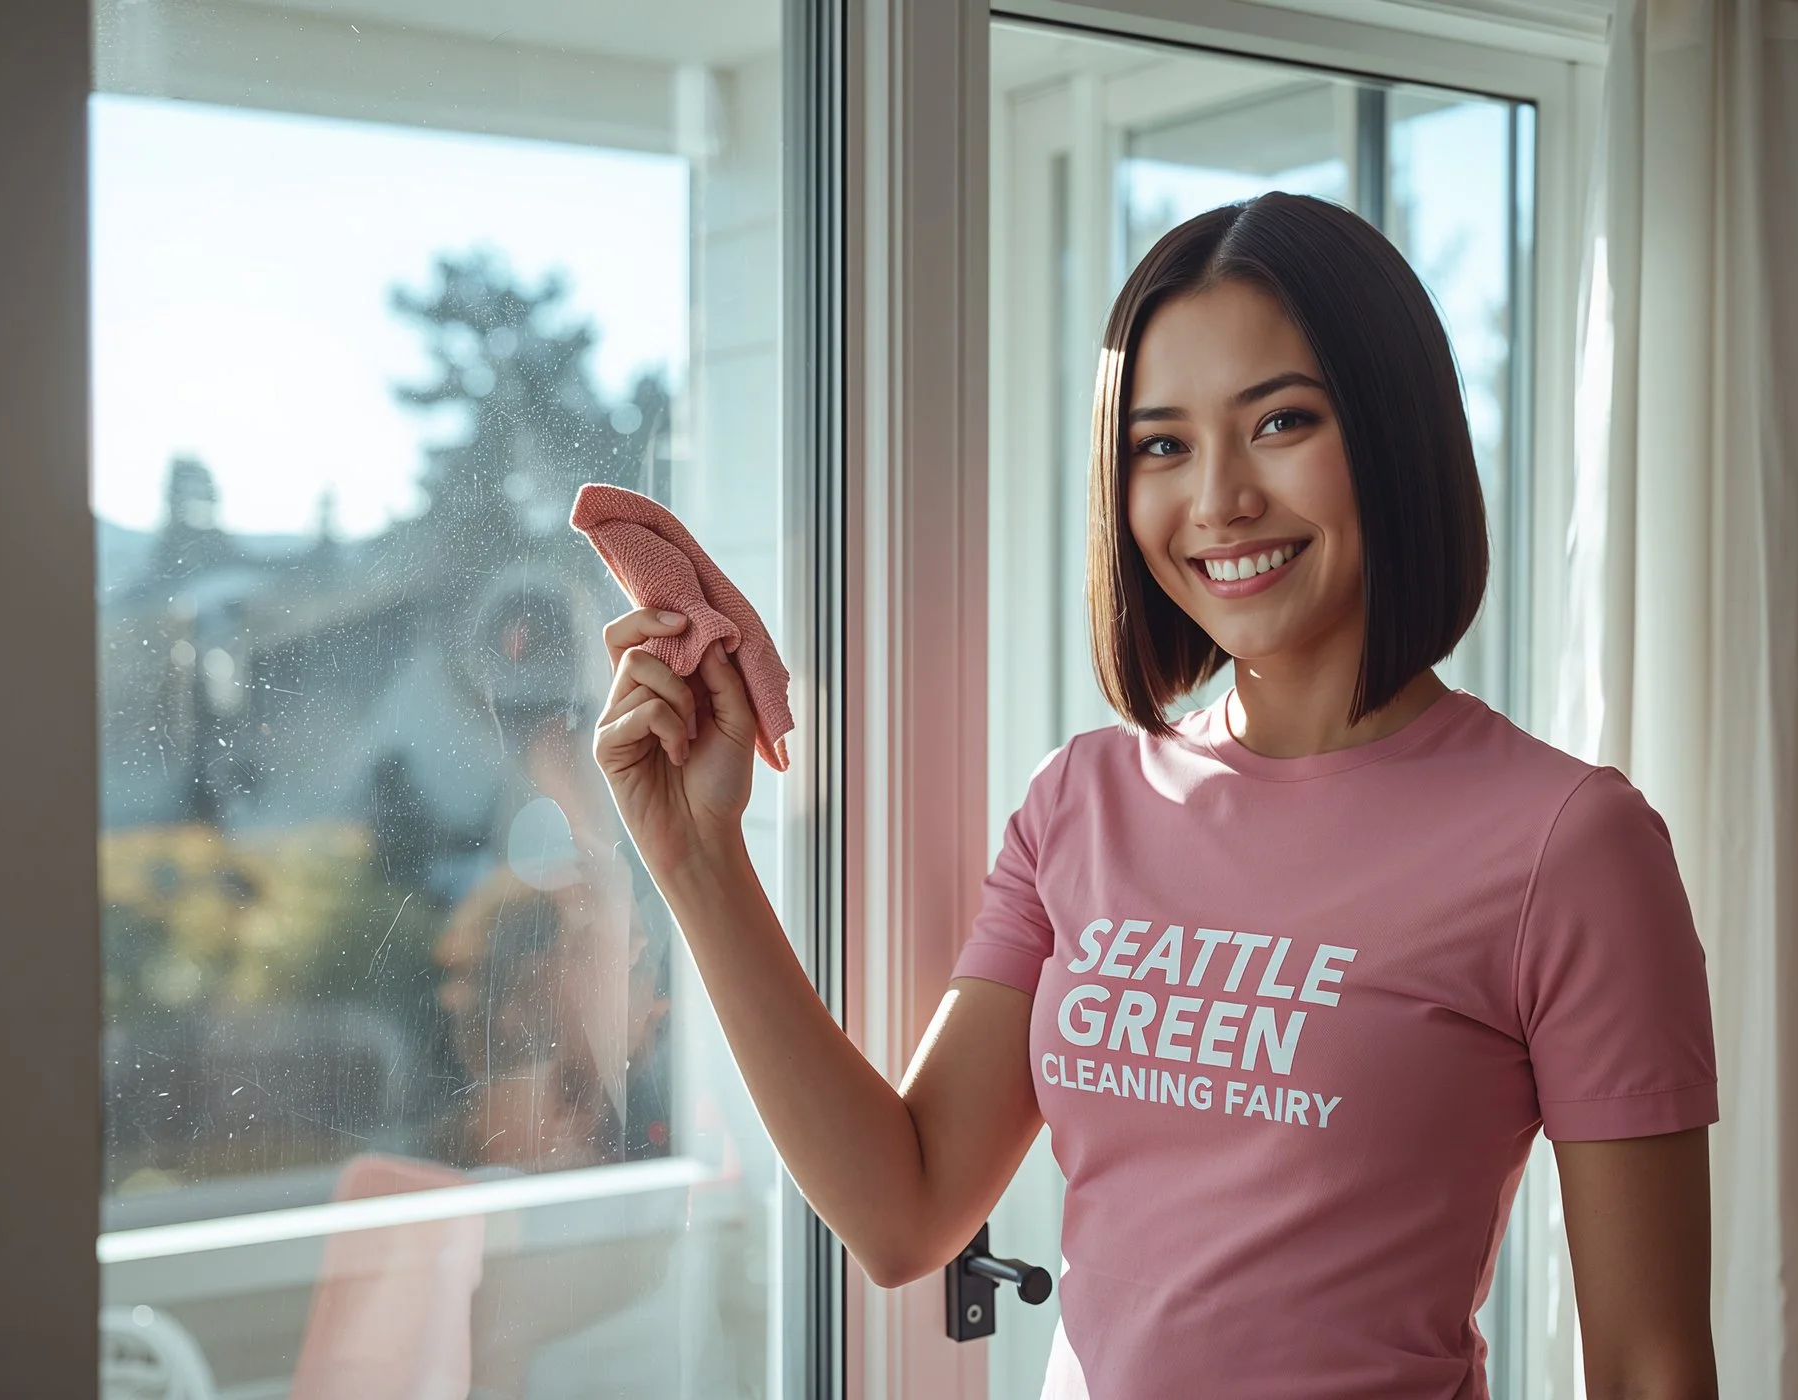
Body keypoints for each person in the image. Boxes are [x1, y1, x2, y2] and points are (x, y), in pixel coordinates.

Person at [591, 192, 1718, 1399]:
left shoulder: (1569, 843)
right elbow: (904, 1207)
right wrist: (700, 856)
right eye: (1161, 444)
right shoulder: (1080, 799)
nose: (1218, 498)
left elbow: (1651, 1363)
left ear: (1395, 433)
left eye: (1279, 420)